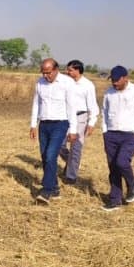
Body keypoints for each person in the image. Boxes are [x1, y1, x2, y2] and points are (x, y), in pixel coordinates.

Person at [101, 65, 134, 211]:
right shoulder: (108, 93)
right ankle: (115, 199)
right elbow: (104, 112)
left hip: (130, 134)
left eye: (117, 80)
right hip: (111, 134)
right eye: (113, 80)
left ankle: (133, 183)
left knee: (122, 162)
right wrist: (105, 131)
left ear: (125, 78)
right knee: (113, 167)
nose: (114, 83)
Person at [30, 58, 78, 203]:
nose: (46, 76)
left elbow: (71, 107)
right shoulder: (40, 83)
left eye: (49, 73)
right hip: (44, 124)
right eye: (43, 73)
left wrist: (73, 130)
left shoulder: (67, 83)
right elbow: (36, 104)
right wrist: (33, 124)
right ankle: (55, 188)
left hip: (60, 124)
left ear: (56, 69)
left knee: (51, 155)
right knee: (45, 157)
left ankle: (46, 190)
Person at [59, 59, 100, 184]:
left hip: (80, 117)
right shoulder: (65, 83)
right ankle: (72, 161)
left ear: (78, 70)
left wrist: (92, 123)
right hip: (65, 116)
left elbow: (93, 106)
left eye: (70, 70)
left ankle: (71, 176)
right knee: (59, 144)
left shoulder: (88, 85)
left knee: (76, 147)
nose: (67, 72)